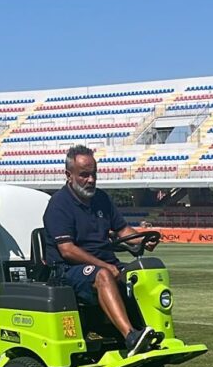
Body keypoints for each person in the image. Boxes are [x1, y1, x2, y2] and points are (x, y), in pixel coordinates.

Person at [43, 145, 162, 355]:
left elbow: (122, 229)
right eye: (84, 175)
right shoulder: (58, 205)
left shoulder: (102, 199)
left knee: (143, 273)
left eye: (94, 174)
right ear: (69, 175)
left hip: (104, 263)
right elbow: (67, 250)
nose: (91, 180)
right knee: (104, 275)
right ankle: (130, 336)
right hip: (68, 271)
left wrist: (142, 239)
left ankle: (154, 330)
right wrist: (104, 265)